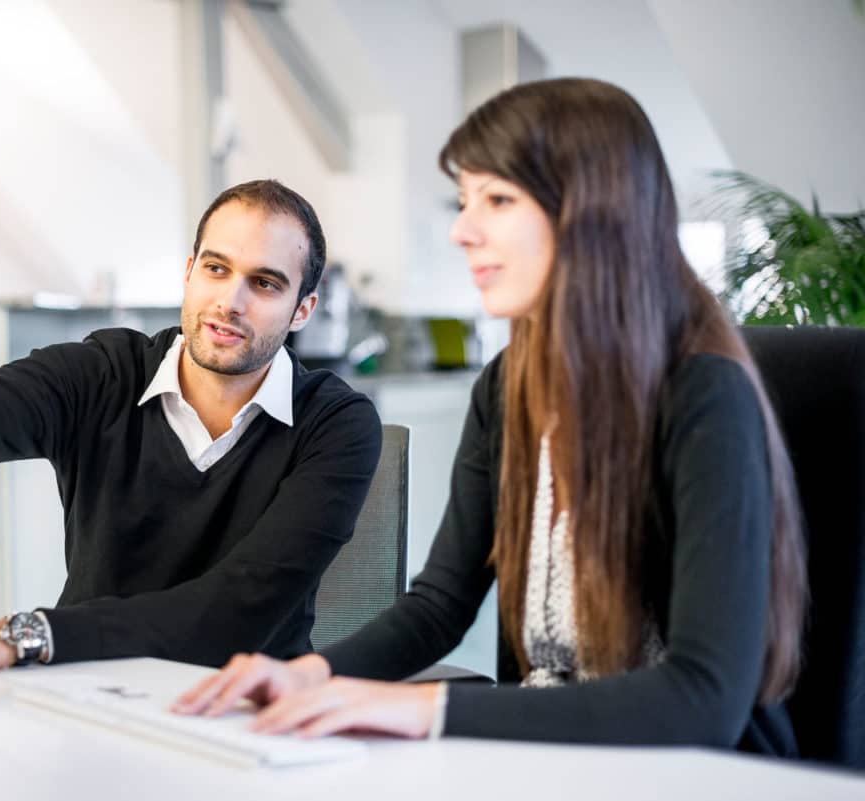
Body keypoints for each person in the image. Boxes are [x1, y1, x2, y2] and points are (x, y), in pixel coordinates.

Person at [174, 78, 808, 756]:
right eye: (464, 200)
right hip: (558, 756)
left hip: (705, 772)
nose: (461, 229)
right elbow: (441, 603)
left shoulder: (704, 394)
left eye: (498, 200)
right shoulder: (510, 384)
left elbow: (703, 699)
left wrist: (423, 707)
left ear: (593, 213)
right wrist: (307, 674)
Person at [0, 179, 382, 671]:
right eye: (216, 268)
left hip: (246, 708)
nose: (230, 301)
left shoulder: (336, 424)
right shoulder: (98, 376)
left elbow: (233, 612)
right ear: (190, 273)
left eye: (265, 283)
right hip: (87, 689)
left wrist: (29, 635)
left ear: (303, 309)